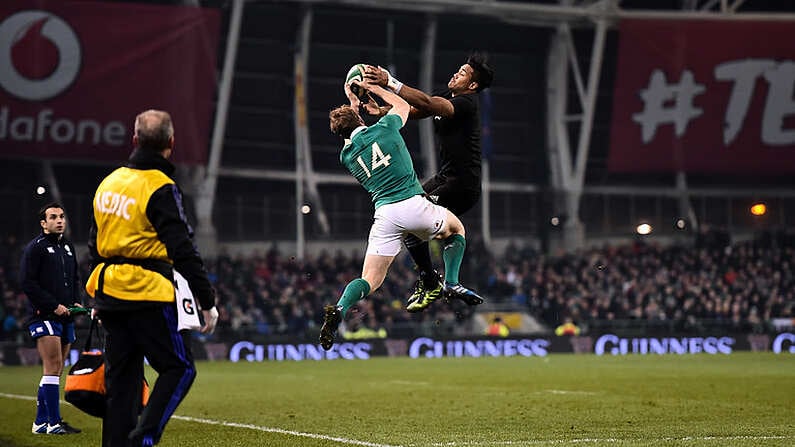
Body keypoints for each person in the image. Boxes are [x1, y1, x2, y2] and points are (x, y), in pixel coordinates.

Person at [85, 109, 219, 447]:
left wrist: (98, 299)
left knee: (122, 383)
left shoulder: (109, 182)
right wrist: (208, 301)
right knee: (179, 368)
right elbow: (183, 249)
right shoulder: (161, 187)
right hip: (146, 292)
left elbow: (94, 245)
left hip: (109, 291)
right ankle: (144, 438)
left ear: (134, 140)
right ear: (171, 143)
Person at [319, 80, 481, 350]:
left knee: (370, 280)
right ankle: (451, 282)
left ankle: (339, 308)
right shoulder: (386, 127)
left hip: (385, 215)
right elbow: (403, 105)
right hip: (412, 203)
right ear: (359, 118)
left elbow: (352, 130)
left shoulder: (346, 155)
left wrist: (353, 101)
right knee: (456, 229)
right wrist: (376, 88)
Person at [364, 53, 495, 312]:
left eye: (464, 73)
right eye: (459, 68)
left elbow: (427, 102)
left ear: (472, 86)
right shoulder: (447, 96)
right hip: (445, 177)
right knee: (407, 216)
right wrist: (381, 111)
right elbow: (416, 110)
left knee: (414, 220)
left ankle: (445, 282)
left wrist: (389, 82)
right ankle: (432, 282)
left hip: (462, 185)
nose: (456, 73)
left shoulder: (467, 103)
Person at [20, 202, 84, 435]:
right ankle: (54, 423)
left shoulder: (67, 246)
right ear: (43, 223)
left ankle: (40, 423)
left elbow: (75, 277)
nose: (60, 220)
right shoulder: (35, 248)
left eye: (62, 217)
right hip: (43, 314)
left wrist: (76, 301)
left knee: (56, 370)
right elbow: (27, 283)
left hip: (65, 315)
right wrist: (53, 305)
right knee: (53, 365)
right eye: (54, 217)